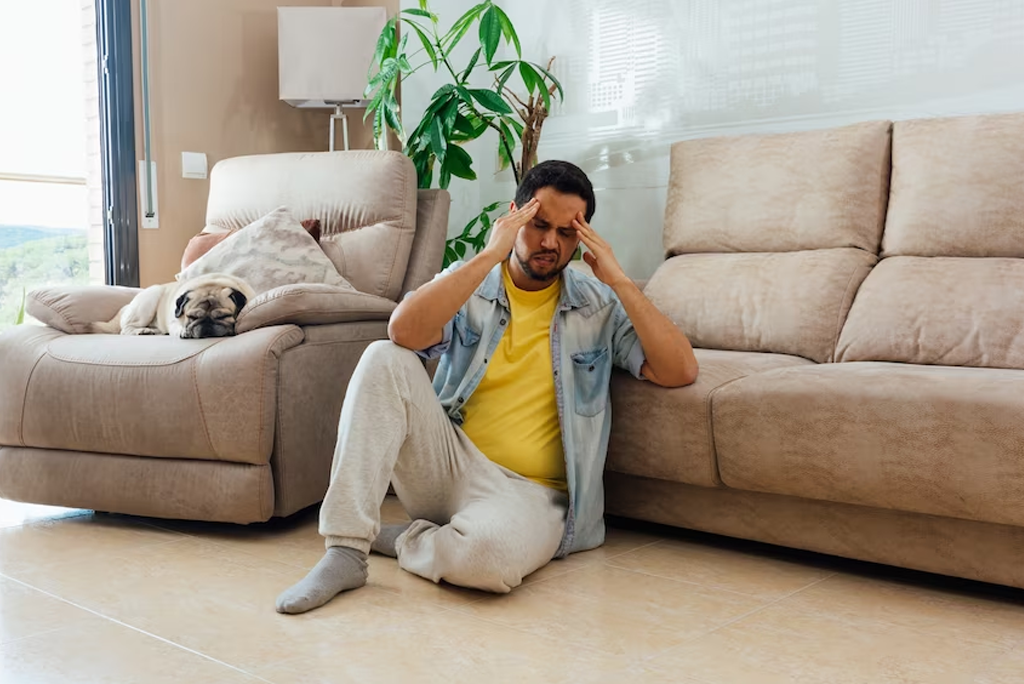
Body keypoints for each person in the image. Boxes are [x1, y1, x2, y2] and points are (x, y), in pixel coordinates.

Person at [276, 160, 698, 614]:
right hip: (449, 464)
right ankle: (345, 551)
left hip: (533, 495)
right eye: (538, 225)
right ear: (513, 216)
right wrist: (488, 257)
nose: (551, 243)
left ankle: (410, 539)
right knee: (382, 357)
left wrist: (617, 278)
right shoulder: (471, 282)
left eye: (567, 232)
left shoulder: (599, 305)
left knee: (487, 563)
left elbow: (679, 370)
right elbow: (404, 332)